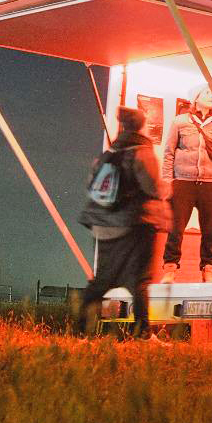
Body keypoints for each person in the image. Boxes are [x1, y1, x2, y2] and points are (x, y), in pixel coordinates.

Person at [76, 106, 169, 337]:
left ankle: (81, 330)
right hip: (136, 224)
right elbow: (153, 188)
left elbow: (92, 186)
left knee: (102, 280)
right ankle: (143, 333)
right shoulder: (142, 152)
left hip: (104, 225)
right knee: (141, 280)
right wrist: (168, 188)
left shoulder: (109, 154)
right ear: (142, 126)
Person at [159, 86, 212, 282]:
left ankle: (208, 269)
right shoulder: (180, 121)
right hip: (183, 182)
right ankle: (170, 268)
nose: (211, 96)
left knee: (210, 230)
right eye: (207, 93)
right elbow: (168, 153)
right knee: (176, 228)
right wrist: (168, 181)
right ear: (196, 98)